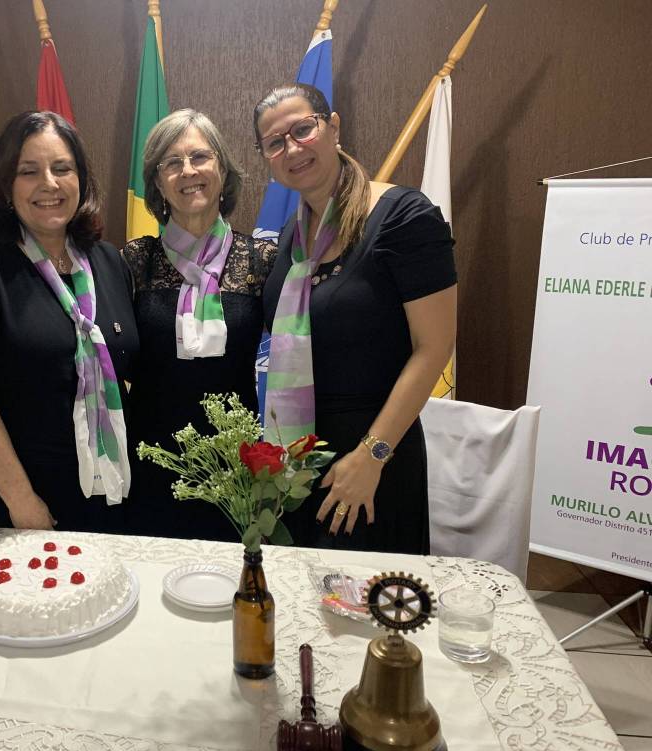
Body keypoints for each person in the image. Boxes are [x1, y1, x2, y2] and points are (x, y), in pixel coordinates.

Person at [256, 84, 456, 555]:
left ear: (333, 127)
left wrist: (372, 456)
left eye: (302, 129)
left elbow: (434, 348)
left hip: (374, 459)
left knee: (365, 597)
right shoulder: (291, 238)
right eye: (275, 142)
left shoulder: (403, 217)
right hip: (299, 459)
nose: (292, 149)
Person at [0, 111, 138, 532]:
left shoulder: (108, 261)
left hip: (100, 489)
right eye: (29, 171)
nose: (49, 183)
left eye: (62, 168)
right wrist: (21, 501)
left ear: (81, 179)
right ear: (5, 183)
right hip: (6, 500)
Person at [123, 109, 276, 541]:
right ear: (158, 182)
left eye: (200, 157)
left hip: (234, 463)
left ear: (222, 170)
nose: (188, 171)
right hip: (149, 459)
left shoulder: (261, 260)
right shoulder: (134, 261)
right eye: (172, 162)